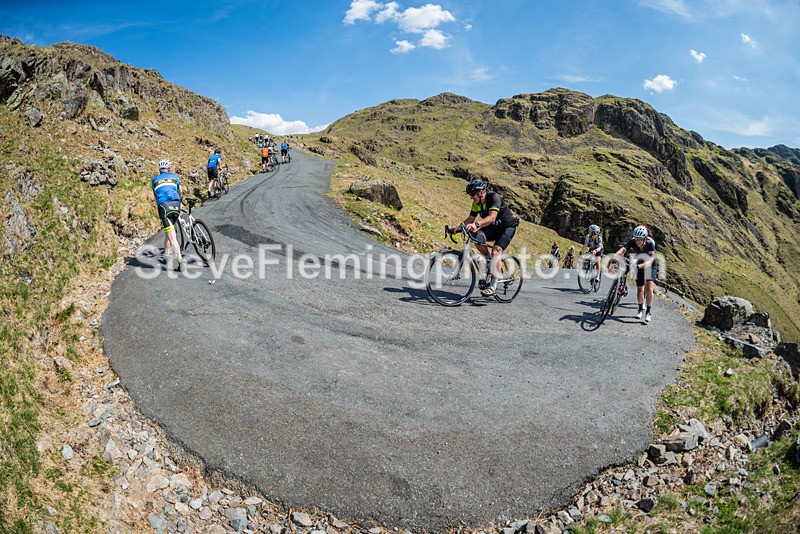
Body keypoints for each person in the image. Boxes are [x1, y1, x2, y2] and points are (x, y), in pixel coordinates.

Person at [456, 179, 520, 297]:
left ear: (481, 192)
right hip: (493, 228)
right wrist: (455, 229)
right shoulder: (477, 203)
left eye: (472, 194)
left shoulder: (493, 198)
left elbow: (492, 218)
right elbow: (470, 219)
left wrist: (476, 225)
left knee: (496, 251)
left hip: (507, 227)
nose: (471, 197)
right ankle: (488, 260)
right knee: (476, 238)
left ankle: (493, 286)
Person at [614, 225, 657, 324]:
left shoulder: (650, 244)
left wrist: (638, 266)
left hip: (650, 265)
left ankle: (648, 312)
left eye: (640, 239)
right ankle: (640, 309)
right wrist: (616, 255)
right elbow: (624, 249)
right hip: (639, 264)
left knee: (650, 287)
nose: (637, 241)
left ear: (645, 238)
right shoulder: (633, 241)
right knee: (639, 289)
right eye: (636, 238)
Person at [151, 159, 184, 272]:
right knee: (168, 233)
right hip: (176, 205)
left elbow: (156, 196)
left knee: (172, 237)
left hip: (164, 207)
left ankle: (180, 262)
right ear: (169, 169)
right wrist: (180, 200)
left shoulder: (155, 180)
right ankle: (166, 255)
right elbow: (180, 191)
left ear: (159, 170)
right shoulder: (174, 177)